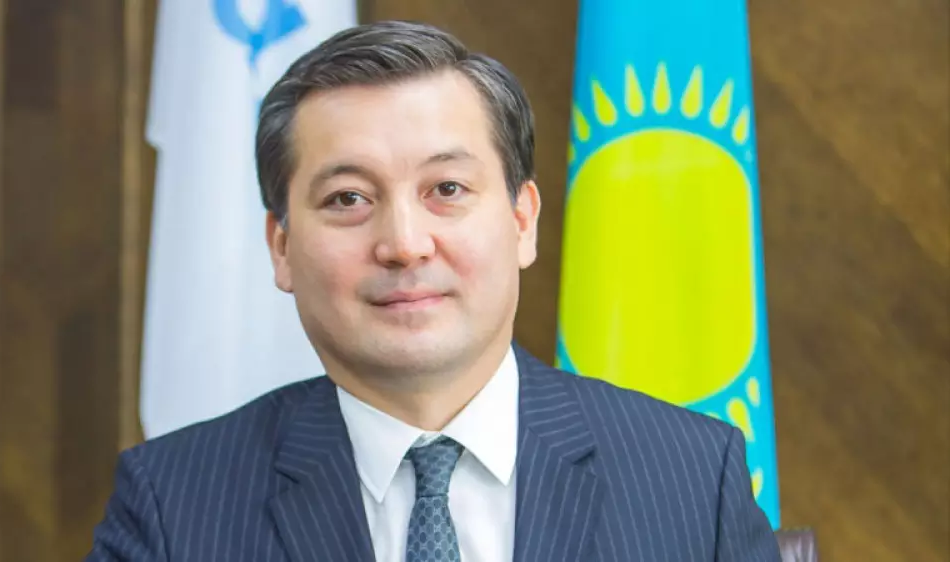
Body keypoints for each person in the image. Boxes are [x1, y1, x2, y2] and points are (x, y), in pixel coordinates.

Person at [87, 20, 781, 562]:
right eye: (349, 198)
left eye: (446, 189)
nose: (404, 243)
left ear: (522, 221)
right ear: (281, 246)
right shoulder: (174, 504)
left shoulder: (692, 478)